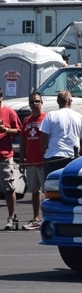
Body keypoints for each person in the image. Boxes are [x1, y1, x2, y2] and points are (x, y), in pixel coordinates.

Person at [40, 91, 82, 178]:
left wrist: (44, 151)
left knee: (52, 187)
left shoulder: (51, 115)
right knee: (69, 185)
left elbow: (44, 136)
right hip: (72, 157)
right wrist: (81, 154)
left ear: (58, 102)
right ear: (69, 101)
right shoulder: (78, 116)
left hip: (53, 156)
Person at [18, 92, 46, 230]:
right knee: (34, 191)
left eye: (37, 101)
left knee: (48, 191)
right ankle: (36, 218)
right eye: (32, 102)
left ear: (41, 102)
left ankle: (48, 218)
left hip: (44, 161)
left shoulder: (46, 118)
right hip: (30, 161)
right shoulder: (27, 120)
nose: (35, 104)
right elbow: (23, 141)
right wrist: (22, 159)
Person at [0, 87, 22, 230]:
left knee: (9, 188)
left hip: (4, 155)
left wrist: (6, 130)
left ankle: (12, 216)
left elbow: (20, 131)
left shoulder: (9, 112)